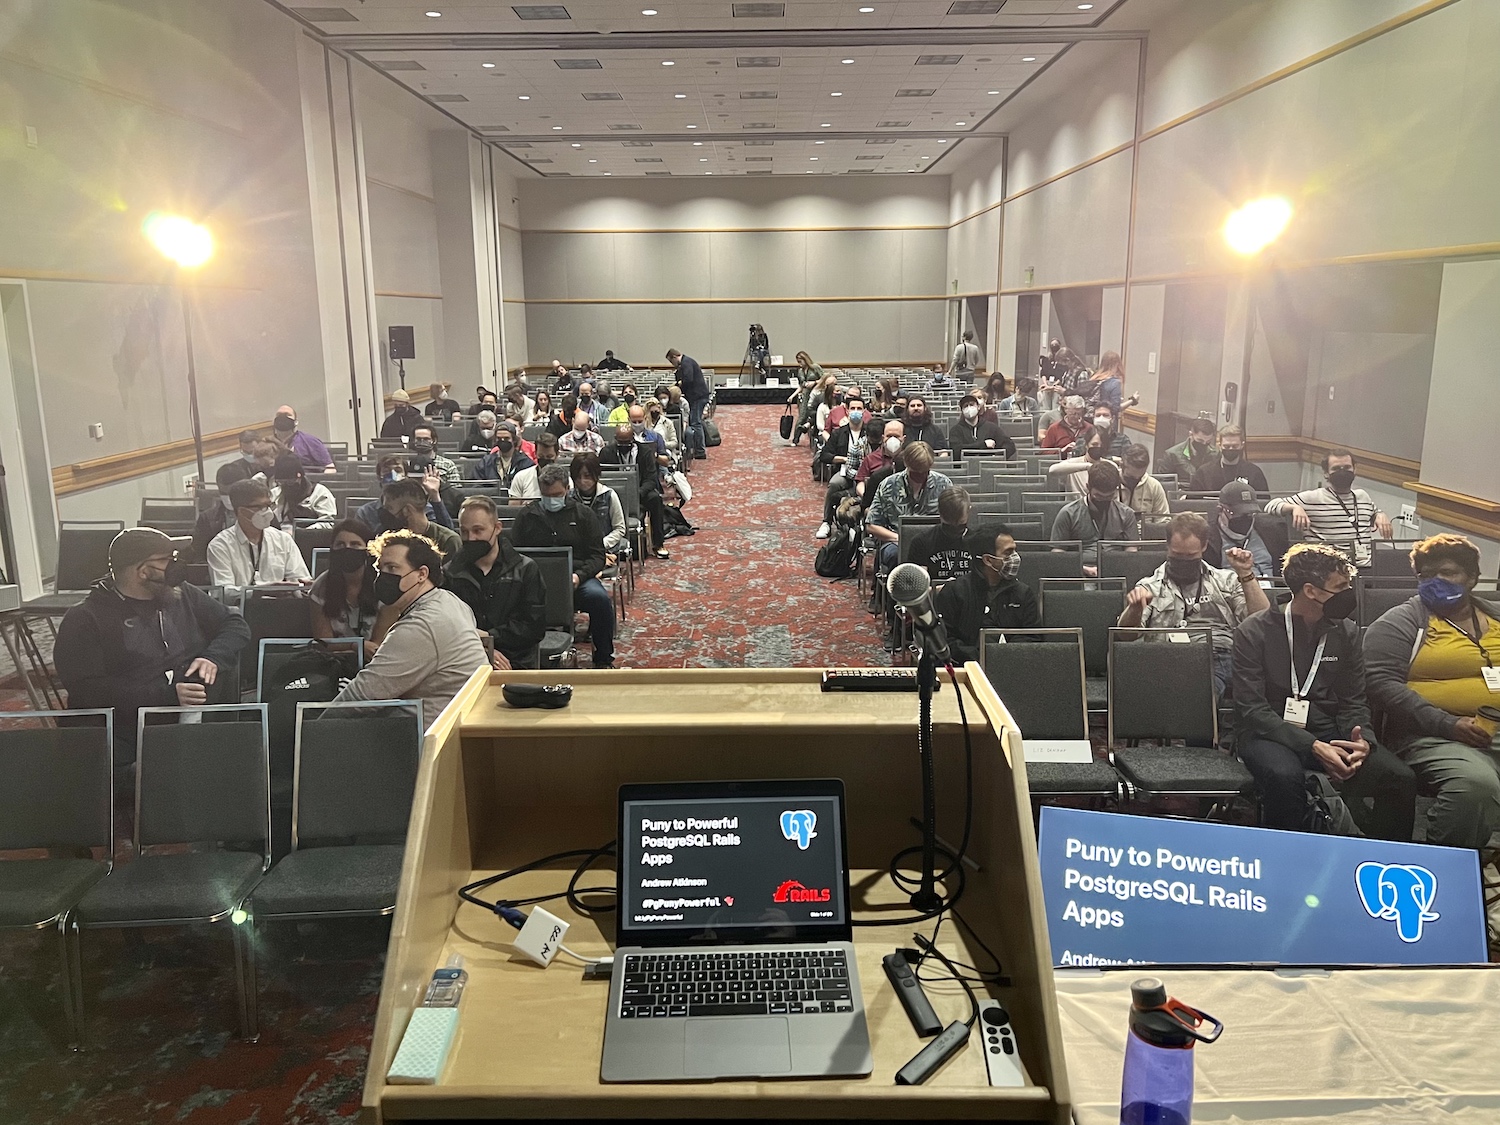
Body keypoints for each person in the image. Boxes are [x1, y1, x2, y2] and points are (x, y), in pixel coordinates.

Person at [1232, 543, 1416, 838]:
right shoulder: (1255, 632)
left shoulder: (1347, 632)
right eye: (1340, 587)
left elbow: (1354, 701)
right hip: (1268, 732)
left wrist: (1363, 742)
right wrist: (1314, 747)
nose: (1348, 594)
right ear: (1311, 591)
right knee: (1285, 777)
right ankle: (1290, 862)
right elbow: (1253, 710)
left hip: (1325, 727)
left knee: (1399, 777)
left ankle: (1384, 864)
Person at [55, 528, 251, 764]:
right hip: (128, 731)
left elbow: (234, 623)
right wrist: (166, 695)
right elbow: (86, 690)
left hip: (191, 716)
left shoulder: (181, 593)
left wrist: (212, 657)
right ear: (143, 571)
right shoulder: (86, 619)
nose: (175, 566)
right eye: (167, 560)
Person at [1365, 535, 1500, 850]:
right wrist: (1447, 724)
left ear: (1473, 578)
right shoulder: (1399, 623)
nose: (1436, 580)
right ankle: (1445, 877)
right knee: (1474, 786)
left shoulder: (1494, 618)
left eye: (1448, 572)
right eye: (1427, 574)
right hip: (1431, 737)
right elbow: (1381, 684)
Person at [332, 529, 489, 720]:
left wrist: (312, 729)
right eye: (380, 569)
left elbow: (362, 696)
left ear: (422, 574)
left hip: (426, 737)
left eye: (392, 568)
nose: (383, 577)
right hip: (455, 721)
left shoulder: (420, 626)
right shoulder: (450, 601)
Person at [1118, 512, 1269, 696]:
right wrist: (1135, 608)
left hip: (1226, 654)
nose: (1183, 561)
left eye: (1190, 556)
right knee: (1201, 690)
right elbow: (1125, 636)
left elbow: (1262, 621)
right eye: (1177, 555)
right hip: (1174, 658)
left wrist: (1246, 574)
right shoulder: (1150, 587)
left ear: (1204, 546)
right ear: (1167, 546)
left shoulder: (1226, 580)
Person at [513, 463, 616, 669]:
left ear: (567, 489)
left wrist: (580, 575)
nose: (552, 499)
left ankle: (603, 657)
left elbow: (597, 556)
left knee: (600, 600)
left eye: (557, 494)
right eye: (546, 494)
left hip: (576, 578)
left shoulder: (583, 515)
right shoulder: (527, 516)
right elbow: (515, 554)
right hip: (535, 580)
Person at [446, 496, 547, 670]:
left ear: (497, 528)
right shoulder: (450, 573)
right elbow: (445, 626)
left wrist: (488, 638)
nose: (471, 538)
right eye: (464, 531)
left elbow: (533, 627)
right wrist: (483, 648)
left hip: (516, 659)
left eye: (478, 530)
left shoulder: (525, 569)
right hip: (465, 658)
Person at [1265, 449, 1392, 570]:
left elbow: (1373, 513)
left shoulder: (1362, 496)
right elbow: (1270, 505)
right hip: (1329, 569)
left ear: (1355, 469)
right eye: (1336, 469)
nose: (1342, 472)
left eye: (1347, 468)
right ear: (1326, 473)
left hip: (1366, 567)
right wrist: (1294, 507)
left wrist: (1379, 514)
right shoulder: (1313, 497)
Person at [934, 525, 1041, 664]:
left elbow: (1033, 637)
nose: (1015, 557)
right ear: (988, 560)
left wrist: (1003, 655)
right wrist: (979, 656)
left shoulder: (1023, 593)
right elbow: (944, 638)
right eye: (1008, 552)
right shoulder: (954, 592)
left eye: (1015, 550)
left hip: (1014, 668)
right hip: (965, 668)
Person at [207, 479, 312, 589]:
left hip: (281, 604)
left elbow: (300, 578)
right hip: (240, 606)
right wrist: (261, 591)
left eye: (268, 505)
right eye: (260, 507)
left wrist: (304, 586)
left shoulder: (283, 540)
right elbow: (225, 592)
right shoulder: (220, 546)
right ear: (242, 511)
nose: (267, 512)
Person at [867, 441, 952, 575]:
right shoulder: (888, 485)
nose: (920, 477)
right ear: (906, 464)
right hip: (895, 541)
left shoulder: (943, 484)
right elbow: (872, 525)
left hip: (933, 542)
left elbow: (951, 521)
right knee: (896, 555)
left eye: (924, 472)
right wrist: (900, 538)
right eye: (915, 473)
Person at [599, 414, 671, 559]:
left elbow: (651, 479)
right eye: (621, 443)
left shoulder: (645, 452)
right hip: (614, 494)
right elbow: (603, 478)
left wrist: (637, 493)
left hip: (640, 493)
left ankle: (658, 543)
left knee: (656, 499)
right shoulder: (606, 452)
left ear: (633, 440)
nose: (624, 447)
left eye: (627, 443)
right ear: (615, 440)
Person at [310, 520, 384, 654]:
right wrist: (355, 646)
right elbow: (323, 642)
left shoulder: (384, 584)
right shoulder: (320, 587)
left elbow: (379, 643)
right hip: (335, 661)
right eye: (340, 545)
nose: (347, 549)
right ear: (332, 549)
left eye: (355, 545)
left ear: (368, 550)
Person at [1051, 461, 1141, 555]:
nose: (1103, 500)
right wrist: (1083, 569)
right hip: (1079, 566)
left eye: (1109, 496)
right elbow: (1058, 552)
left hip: (1116, 565)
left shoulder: (1126, 514)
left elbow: (1132, 550)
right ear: (1088, 487)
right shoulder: (1068, 514)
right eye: (1098, 496)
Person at [816, 395, 873, 539]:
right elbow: (824, 455)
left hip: (867, 472)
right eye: (852, 408)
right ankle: (827, 522)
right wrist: (844, 459)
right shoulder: (839, 433)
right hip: (845, 471)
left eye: (859, 408)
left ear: (864, 411)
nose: (855, 411)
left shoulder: (870, 432)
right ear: (847, 411)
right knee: (834, 484)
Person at [1205, 480, 1287, 577]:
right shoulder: (1208, 539)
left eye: (1250, 513)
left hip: (1271, 588)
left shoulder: (1273, 531)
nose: (1245, 518)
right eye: (1236, 513)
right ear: (1220, 509)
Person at [365, 477, 461, 558]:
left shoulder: (448, 541)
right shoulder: (385, 539)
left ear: (407, 510)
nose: (384, 512)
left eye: (389, 508)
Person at [908, 486, 975, 583]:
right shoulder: (921, 542)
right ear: (939, 511)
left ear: (969, 511)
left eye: (960, 523)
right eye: (949, 523)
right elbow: (918, 588)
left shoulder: (978, 541)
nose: (954, 527)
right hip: (936, 596)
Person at [1189, 425, 1269, 494]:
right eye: (1226, 447)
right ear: (1219, 446)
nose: (1230, 449)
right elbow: (1194, 503)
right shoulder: (1204, 472)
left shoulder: (1254, 472)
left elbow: (1263, 502)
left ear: (1242, 445)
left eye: (1235, 446)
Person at [667, 347, 711, 463]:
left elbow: (688, 379)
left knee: (696, 423)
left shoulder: (686, 363)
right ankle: (698, 449)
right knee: (697, 422)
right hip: (698, 396)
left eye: (671, 361)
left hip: (698, 397)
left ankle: (700, 451)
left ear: (675, 357)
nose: (672, 364)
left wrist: (678, 385)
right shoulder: (687, 362)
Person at [271, 452, 337, 529]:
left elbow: (328, 522)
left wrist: (302, 533)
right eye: (281, 482)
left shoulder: (320, 493)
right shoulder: (275, 494)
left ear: (299, 476)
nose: (286, 486)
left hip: (310, 536)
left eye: (290, 482)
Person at [1118, 444, 1170, 533]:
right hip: (1115, 537)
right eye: (1130, 477)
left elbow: (1163, 521)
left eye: (1139, 477)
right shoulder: (1110, 482)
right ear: (1121, 465)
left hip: (1145, 537)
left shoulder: (1154, 486)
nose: (1135, 480)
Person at [270, 405, 336, 474]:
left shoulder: (311, 442)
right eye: (279, 415)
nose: (283, 418)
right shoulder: (266, 443)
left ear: (296, 421)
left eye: (287, 415)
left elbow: (330, 468)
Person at [949, 393, 1012, 459]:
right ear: (962, 410)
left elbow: (1009, 445)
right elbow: (956, 450)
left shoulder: (991, 427)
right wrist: (983, 445)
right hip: (966, 466)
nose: (969, 408)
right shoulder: (955, 430)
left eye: (971, 404)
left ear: (978, 407)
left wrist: (997, 456)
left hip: (988, 466)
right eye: (965, 406)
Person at [1161, 417, 1218, 485]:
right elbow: (1164, 483)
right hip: (1182, 492)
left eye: (1208, 441)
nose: (1204, 444)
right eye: (1200, 440)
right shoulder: (1172, 454)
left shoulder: (1216, 454)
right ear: (1191, 435)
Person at [409, 421, 463, 493]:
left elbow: (456, 490)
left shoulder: (448, 464)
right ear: (413, 441)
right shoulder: (408, 463)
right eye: (418, 439)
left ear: (434, 440)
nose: (422, 442)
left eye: (426, 439)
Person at [509, 432, 558, 504]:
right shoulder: (521, 477)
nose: (545, 459)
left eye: (549, 456)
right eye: (541, 456)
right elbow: (512, 510)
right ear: (535, 453)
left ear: (557, 455)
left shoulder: (566, 480)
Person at [647, 395, 680, 465]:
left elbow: (674, 442)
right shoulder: (644, 423)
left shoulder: (668, 423)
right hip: (648, 452)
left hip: (665, 451)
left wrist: (661, 444)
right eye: (652, 411)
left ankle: (665, 474)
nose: (654, 412)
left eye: (656, 410)